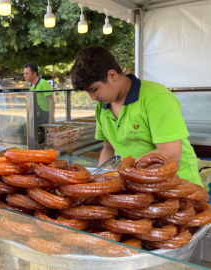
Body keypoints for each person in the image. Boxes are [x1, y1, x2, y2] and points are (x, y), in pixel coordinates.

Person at [70, 46, 201, 185]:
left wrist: (123, 170)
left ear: (112, 75)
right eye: (87, 92)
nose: (92, 98)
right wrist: (100, 181)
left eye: (94, 89)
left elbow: (171, 152)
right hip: (136, 185)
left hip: (178, 185)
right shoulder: (102, 107)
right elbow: (108, 148)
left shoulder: (156, 97)